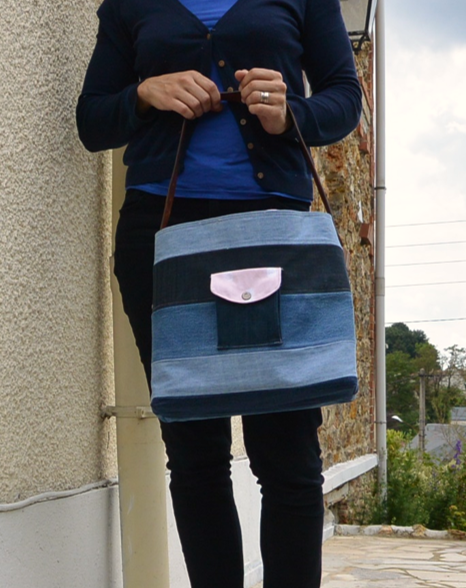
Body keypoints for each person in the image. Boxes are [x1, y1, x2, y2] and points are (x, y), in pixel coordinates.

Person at [77, 0, 362, 586]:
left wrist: (291, 112)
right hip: (162, 239)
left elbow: (344, 97)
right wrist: (144, 94)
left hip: (273, 237)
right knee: (193, 451)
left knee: (289, 455)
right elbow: (92, 120)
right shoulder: (130, 5)